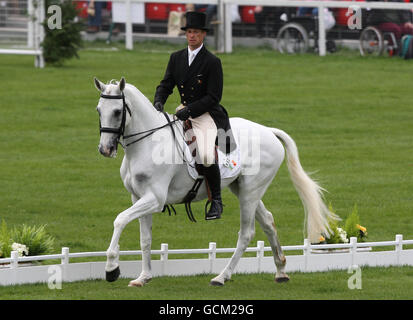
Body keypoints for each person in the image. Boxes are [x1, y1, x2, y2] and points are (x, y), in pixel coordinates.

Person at [153, 11, 231, 220]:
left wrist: (190, 110)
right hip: (182, 110)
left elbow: (214, 96)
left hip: (205, 114)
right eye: (189, 32)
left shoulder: (212, 62)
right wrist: (159, 100)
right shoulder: (176, 57)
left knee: (205, 155)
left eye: (196, 32)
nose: (192, 36)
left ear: (203, 35)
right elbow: (166, 84)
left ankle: (216, 200)